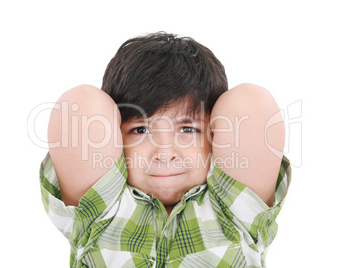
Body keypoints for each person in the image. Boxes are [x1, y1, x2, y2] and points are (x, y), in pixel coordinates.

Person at [40, 32, 291, 267]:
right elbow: (80, 105)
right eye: (140, 130)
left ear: (217, 137)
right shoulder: (98, 214)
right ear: (114, 137)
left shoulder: (236, 213)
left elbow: (251, 103)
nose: (164, 153)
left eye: (188, 130)